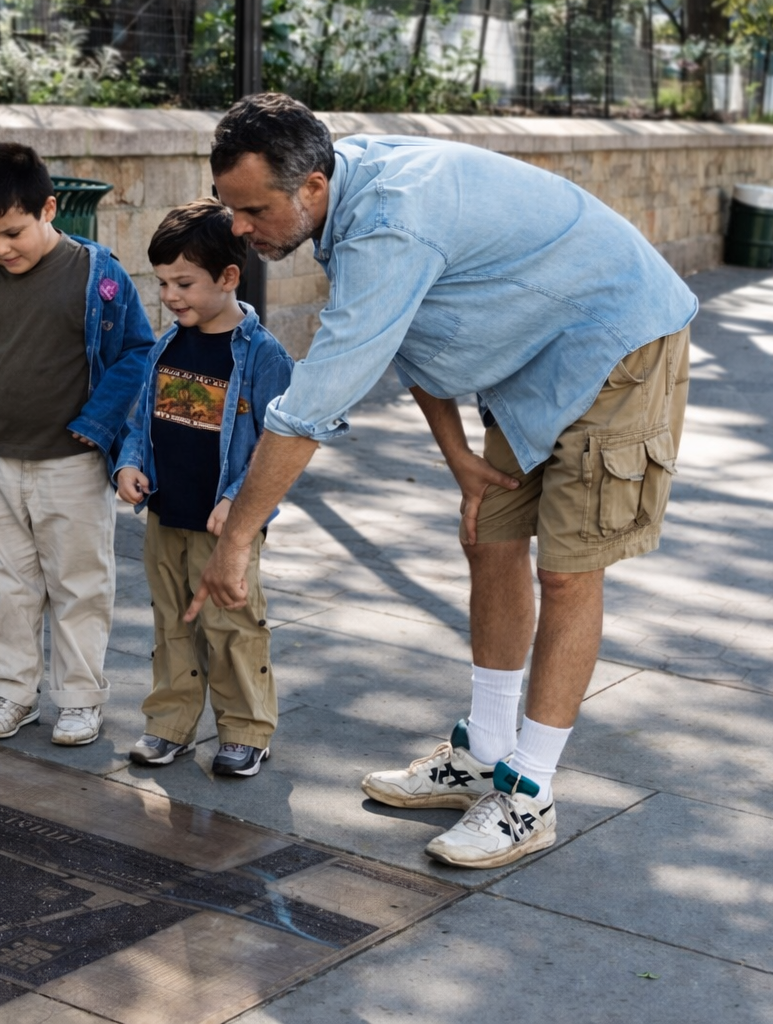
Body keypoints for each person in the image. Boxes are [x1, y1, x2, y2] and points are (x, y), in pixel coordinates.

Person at [190, 94, 696, 868]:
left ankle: (529, 793)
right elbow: (406, 326)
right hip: (532, 356)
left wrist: (237, 539)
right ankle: (484, 753)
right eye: (231, 208)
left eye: (253, 210)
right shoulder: (348, 192)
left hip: (618, 344)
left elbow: (313, 404)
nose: (240, 228)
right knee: (491, 541)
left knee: (567, 572)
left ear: (312, 188)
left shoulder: (392, 218)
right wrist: (459, 457)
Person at [0, 142, 155, 747]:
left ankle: (81, 699)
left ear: (49, 209)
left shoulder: (97, 275)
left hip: (75, 465)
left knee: (80, 583)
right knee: (10, 586)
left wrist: (98, 425)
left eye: (12, 232)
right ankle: (11, 692)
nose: (0, 248)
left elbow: (137, 351)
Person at [114, 199, 295, 777]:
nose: (170, 295)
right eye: (163, 282)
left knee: (232, 625)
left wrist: (237, 500)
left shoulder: (262, 356)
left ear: (228, 277)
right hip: (166, 514)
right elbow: (143, 418)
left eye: (184, 283)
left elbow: (278, 444)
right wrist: (129, 463)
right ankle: (169, 725)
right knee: (172, 624)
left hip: (225, 526)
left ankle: (245, 730)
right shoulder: (167, 346)